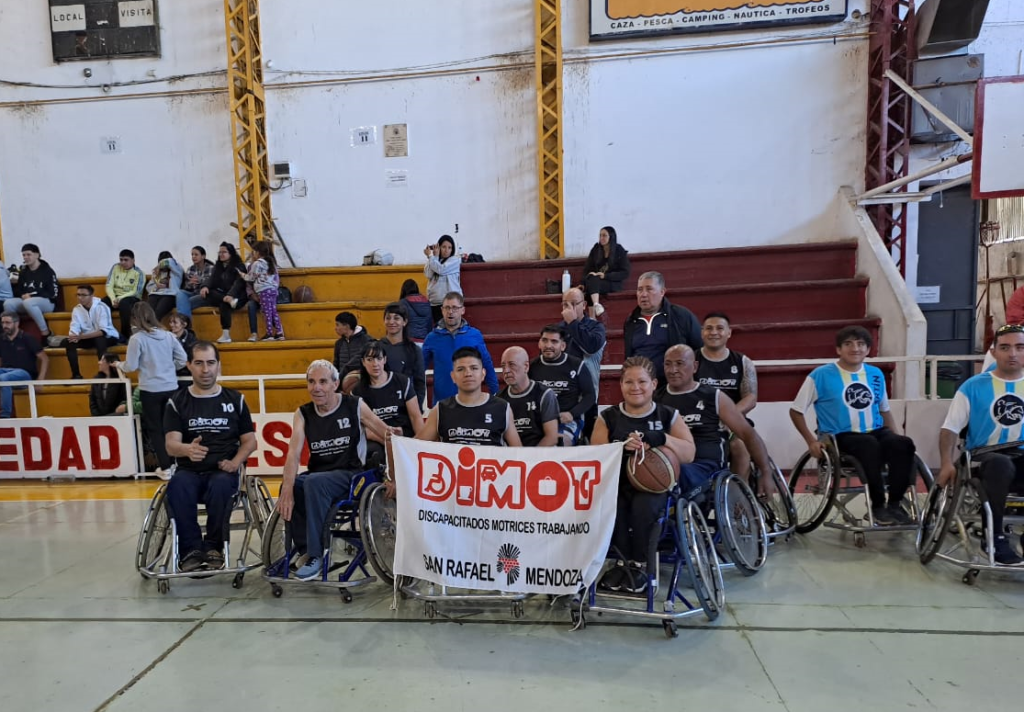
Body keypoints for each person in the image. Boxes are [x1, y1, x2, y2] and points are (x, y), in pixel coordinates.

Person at [275, 359, 398, 579]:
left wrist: (393, 476)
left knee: (313, 483)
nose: (316, 387)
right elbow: (293, 453)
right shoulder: (303, 413)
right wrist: (286, 488)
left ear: (335, 384)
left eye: (323, 382)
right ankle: (305, 550)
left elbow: (389, 436)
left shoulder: (355, 405)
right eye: (311, 382)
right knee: (294, 484)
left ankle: (317, 555)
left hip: (351, 476)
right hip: (320, 476)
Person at [789, 325, 917, 526]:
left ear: (868, 349)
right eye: (848, 344)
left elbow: (884, 410)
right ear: (838, 349)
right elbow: (796, 411)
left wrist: (896, 435)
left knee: (903, 444)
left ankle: (894, 504)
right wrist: (811, 441)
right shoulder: (820, 375)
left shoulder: (875, 374)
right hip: (840, 436)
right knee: (868, 445)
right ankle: (877, 505)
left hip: (875, 430)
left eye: (860, 344)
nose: (855, 348)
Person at [591, 356, 694, 594]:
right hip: (618, 483)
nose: (635, 387)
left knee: (644, 505)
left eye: (642, 381)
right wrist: (619, 447)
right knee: (611, 503)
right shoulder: (608, 417)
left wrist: (663, 438)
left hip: (655, 487)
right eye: (629, 382)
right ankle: (621, 563)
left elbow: (689, 453)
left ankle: (639, 563)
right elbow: (596, 456)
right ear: (621, 385)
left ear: (654, 384)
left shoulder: (667, 415)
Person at [164, 341, 257, 572]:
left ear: (218, 365)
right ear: (189, 365)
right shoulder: (177, 402)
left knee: (221, 485)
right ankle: (191, 550)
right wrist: (187, 449)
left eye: (210, 363)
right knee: (177, 486)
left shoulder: (235, 399)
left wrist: (235, 462)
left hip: (223, 471)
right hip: (189, 471)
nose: (205, 369)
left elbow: (250, 441)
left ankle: (215, 547)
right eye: (199, 363)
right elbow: (171, 445)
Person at [938, 323, 1024, 565]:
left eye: (1020, 347)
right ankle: (993, 537)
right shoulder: (973, 386)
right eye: (1005, 347)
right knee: (1000, 464)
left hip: (1020, 459)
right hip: (982, 459)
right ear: (993, 352)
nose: (1013, 353)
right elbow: (950, 429)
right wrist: (946, 463)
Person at [657, 345, 773, 493]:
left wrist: (766, 472)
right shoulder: (656, 399)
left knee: (678, 473)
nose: (673, 370)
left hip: (708, 467)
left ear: (695, 367)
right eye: (668, 364)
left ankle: (738, 495)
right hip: (670, 464)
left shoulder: (715, 397)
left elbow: (748, 434)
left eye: (680, 363)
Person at [119, 302, 188, 479]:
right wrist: (169, 368)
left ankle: (166, 467)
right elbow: (183, 359)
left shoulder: (137, 339)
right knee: (173, 427)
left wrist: (119, 365)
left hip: (150, 389)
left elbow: (131, 366)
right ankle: (177, 464)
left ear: (135, 318)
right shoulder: (168, 336)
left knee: (156, 429)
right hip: (171, 387)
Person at [417, 346, 521, 447]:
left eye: (474, 368)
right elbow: (414, 447)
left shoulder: (502, 408)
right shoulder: (440, 410)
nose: (468, 373)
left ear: (483, 374)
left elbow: (519, 453)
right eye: (460, 369)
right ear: (453, 376)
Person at [696, 312, 759, 475]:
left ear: (729, 333)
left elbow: (750, 397)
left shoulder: (742, 362)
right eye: (709, 328)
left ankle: (740, 489)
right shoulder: (692, 361)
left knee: (739, 445)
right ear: (702, 332)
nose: (714, 332)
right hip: (699, 421)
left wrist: (729, 416)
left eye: (719, 328)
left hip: (732, 422)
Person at [352, 340, 424, 468]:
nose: (375, 364)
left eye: (379, 358)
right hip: (378, 438)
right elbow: (362, 428)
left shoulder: (402, 381)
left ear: (384, 360)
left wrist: (421, 443)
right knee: (371, 452)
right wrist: (387, 439)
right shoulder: (358, 391)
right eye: (370, 360)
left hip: (404, 433)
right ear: (363, 362)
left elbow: (415, 417)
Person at [623, 271, 702, 382]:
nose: (643, 294)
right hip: (642, 385)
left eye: (649, 289)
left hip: (673, 384)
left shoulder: (681, 316)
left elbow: (700, 348)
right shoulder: (631, 321)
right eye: (640, 290)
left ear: (662, 292)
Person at [422, 292, 498, 404]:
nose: (450, 312)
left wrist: (495, 392)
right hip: (443, 403)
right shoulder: (431, 338)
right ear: (442, 310)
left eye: (454, 308)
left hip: (471, 401)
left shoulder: (474, 335)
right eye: (447, 308)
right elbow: (419, 369)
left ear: (462, 310)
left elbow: (487, 364)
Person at [530, 325, 596, 446]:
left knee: (558, 443)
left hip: (567, 420)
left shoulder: (577, 365)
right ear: (539, 343)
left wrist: (572, 413)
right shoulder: (532, 366)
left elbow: (590, 396)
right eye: (545, 340)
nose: (548, 345)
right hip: (538, 421)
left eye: (554, 341)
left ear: (563, 346)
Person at [559, 286, 607, 440]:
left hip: (587, 394)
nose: (569, 308)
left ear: (584, 305)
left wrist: (573, 322)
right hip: (563, 393)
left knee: (588, 437)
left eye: (574, 303)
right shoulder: (557, 330)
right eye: (565, 304)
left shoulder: (596, 327)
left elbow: (591, 347)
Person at [498, 346, 559, 447]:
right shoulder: (499, 399)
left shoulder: (544, 394)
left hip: (541, 452)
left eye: (512, 365)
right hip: (512, 453)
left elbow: (551, 437)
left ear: (526, 367)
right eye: (503, 366)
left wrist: (530, 456)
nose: (506, 370)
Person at [5, 243, 61, 346]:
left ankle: (46, 333)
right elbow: (20, 290)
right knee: (8, 303)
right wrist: (22, 295)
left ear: (37, 255)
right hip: (28, 301)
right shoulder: (23, 272)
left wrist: (32, 297)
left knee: (29, 302)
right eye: (24, 255)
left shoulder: (47, 271)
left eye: (28, 254)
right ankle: (14, 333)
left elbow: (53, 293)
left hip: (47, 302)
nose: (26, 257)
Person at [64, 284, 119, 380]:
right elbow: (74, 327)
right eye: (78, 295)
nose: (80, 298)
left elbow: (103, 332)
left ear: (92, 295)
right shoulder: (76, 309)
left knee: (99, 339)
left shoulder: (102, 307)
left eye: (83, 295)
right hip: (88, 337)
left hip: (109, 337)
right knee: (68, 342)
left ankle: (104, 374)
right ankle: (76, 375)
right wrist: (73, 336)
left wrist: (81, 337)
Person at [0, 311, 48, 419]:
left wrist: (40, 380)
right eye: (3, 323)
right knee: (3, 376)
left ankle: (5, 415)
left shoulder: (27, 338)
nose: (4, 326)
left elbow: (44, 359)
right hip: (6, 370)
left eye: (8, 323)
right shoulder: (1, 339)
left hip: (24, 373)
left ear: (16, 323)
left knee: (3, 379)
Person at [196, 242, 246, 344]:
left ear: (231, 253)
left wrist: (231, 295)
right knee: (209, 292)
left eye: (224, 252)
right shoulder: (218, 266)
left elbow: (239, 283)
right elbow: (212, 279)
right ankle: (227, 300)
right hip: (224, 295)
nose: (221, 254)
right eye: (220, 252)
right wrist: (205, 286)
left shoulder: (239, 266)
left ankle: (226, 335)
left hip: (237, 296)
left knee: (224, 304)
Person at [380, 302, 425, 405]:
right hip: (381, 405)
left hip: (406, 405)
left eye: (396, 318)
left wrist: (417, 408)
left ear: (404, 322)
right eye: (388, 318)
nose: (391, 322)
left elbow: (420, 383)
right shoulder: (375, 348)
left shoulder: (414, 350)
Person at [581, 226, 631, 319]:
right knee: (591, 279)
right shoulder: (596, 249)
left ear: (611, 237)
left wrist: (605, 276)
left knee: (591, 284)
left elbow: (625, 272)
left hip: (612, 282)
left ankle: (592, 317)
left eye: (604, 235)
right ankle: (596, 305)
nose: (601, 238)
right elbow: (587, 268)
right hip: (596, 282)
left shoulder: (618, 250)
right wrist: (583, 283)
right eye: (600, 235)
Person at [243, 241, 284, 342]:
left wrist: (243, 275)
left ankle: (269, 333)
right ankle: (279, 332)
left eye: (253, 252)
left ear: (257, 252)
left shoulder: (257, 264)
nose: (252, 254)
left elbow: (251, 278)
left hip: (263, 291)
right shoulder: (271, 263)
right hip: (272, 291)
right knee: (273, 312)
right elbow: (275, 280)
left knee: (267, 313)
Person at [102, 249, 145, 343]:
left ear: (133, 260)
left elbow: (135, 291)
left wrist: (119, 299)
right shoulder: (115, 267)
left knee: (124, 304)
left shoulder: (139, 273)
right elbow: (109, 285)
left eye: (126, 260)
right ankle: (106, 333)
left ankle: (125, 336)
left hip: (132, 298)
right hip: (115, 297)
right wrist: (113, 299)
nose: (123, 262)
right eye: (121, 259)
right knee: (102, 304)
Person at [423, 234, 462, 324]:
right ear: (438, 247)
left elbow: (441, 270)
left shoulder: (455, 260)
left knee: (451, 327)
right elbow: (428, 274)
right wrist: (434, 257)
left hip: (451, 302)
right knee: (439, 328)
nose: (446, 250)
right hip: (435, 302)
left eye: (449, 247)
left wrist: (431, 257)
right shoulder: (434, 260)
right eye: (443, 247)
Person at [175, 246, 216, 318]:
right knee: (180, 293)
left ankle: (183, 322)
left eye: (196, 255)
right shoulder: (190, 269)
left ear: (203, 256)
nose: (193, 257)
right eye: (192, 255)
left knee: (185, 303)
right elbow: (187, 287)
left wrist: (200, 281)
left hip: (205, 295)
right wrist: (190, 283)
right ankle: (184, 322)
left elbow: (212, 283)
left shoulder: (211, 268)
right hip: (193, 293)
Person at [145, 251, 184, 322]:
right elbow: (148, 287)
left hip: (170, 295)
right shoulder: (157, 272)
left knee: (158, 312)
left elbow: (170, 262)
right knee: (148, 313)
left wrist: (159, 265)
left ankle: (153, 328)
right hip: (155, 294)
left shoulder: (176, 269)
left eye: (163, 263)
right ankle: (149, 327)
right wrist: (156, 286)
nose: (162, 266)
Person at [333, 311, 372, 379]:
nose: (335, 328)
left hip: (363, 380)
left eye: (337, 325)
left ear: (346, 326)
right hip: (343, 381)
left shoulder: (366, 341)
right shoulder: (339, 343)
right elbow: (336, 365)